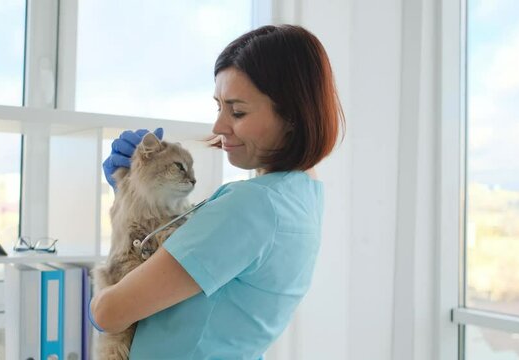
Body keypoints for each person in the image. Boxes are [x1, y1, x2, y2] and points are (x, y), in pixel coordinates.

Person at [92, 24, 344, 359]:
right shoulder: (302, 197)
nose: (219, 127)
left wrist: (103, 294)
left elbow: (109, 312)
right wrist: (130, 198)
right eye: (219, 107)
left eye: (237, 111)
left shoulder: (252, 204)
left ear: (291, 116)